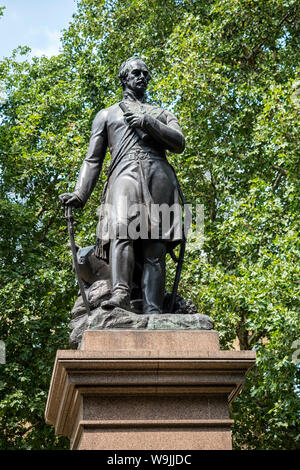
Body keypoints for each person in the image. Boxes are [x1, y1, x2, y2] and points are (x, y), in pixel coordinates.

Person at [59, 57, 185, 314]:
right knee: (121, 233)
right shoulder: (106, 115)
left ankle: (153, 309)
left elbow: (179, 142)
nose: (142, 77)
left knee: (155, 245)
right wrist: (80, 194)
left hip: (158, 175)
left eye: (145, 74)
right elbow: (92, 159)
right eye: (136, 73)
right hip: (123, 175)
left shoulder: (161, 113)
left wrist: (148, 122)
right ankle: (121, 294)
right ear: (124, 78)